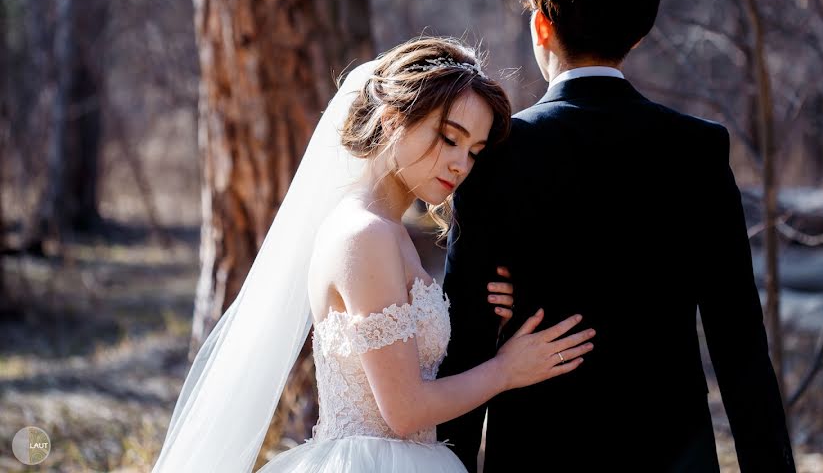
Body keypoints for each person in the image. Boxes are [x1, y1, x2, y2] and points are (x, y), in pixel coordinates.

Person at [437, 0, 796, 472]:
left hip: (538, 450)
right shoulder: (697, 148)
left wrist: (450, 460)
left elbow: (467, 329)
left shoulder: (501, 151)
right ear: (636, 37)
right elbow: (739, 342)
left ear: (541, 25)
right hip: (672, 449)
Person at [152, 36, 595, 473]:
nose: (461, 164)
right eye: (448, 138)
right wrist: (506, 370)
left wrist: (489, 314)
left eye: (473, 152)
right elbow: (403, 409)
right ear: (391, 120)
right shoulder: (363, 235)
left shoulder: (389, 232)